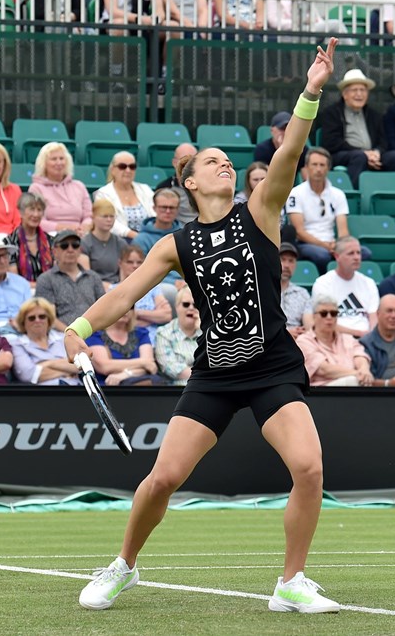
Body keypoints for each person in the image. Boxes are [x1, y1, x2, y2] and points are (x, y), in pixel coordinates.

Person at [65, 39, 342, 614]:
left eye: (227, 160)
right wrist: (80, 327)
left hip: (270, 367)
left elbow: (290, 149)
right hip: (214, 372)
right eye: (211, 161)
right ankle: (123, 566)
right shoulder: (175, 244)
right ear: (189, 182)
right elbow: (125, 293)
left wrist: (311, 89)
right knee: (163, 479)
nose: (225, 164)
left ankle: (291, 582)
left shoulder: (262, 209)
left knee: (310, 467)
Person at [317, 69, 395, 186]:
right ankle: (354, 196)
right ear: (344, 94)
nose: (359, 94)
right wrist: (363, 153)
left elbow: (383, 141)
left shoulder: (374, 115)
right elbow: (331, 142)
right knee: (359, 157)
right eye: (354, 90)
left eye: (363, 90)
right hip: (342, 155)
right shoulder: (332, 113)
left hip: (370, 155)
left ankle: (388, 194)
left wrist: (376, 153)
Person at [285, 148, 361, 272]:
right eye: (314, 165)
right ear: (307, 167)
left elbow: (343, 231)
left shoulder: (338, 194)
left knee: (363, 253)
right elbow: (299, 231)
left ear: (328, 168)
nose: (318, 169)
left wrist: (340, 246)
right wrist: (325, 246)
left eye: (322, 165)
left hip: (332, 242)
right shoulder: (296, 193)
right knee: (322, 255)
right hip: (307, 243)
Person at [295, 295, 374, 386]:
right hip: (320, 392)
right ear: (314, 317)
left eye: (333, 313)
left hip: (353, 384)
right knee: (356, 381)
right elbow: (324, 370)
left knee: (364, 381)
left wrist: (364, 370)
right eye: (324, 313)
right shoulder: (304, 341)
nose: (329, 317)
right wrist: (357, 374)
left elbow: (360, 356)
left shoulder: (347, 338)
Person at [36, 229, 106, 328]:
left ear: (79, 250)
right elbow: (48, 317)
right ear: (54, 252)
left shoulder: (93, 277)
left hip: (94, 332)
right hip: (61, 335)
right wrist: (72, 334)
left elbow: (104, 310)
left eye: (75, 245)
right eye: (64, 245)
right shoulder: (46, 279)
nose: (70, 249)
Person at [312, 236, 379, 337]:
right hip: (335, 338)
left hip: (366, 340)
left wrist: (371, 336)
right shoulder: (323, 283)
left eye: (358, 253)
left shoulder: (369, 283)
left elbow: (373, 316)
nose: (356, 257)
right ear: (337, 256)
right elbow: (323, 320)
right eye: (351, 253)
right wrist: (358, 333)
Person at [10, 297, 79, 385]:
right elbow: (28, 374)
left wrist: (47, 364)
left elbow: (79, 365)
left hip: (76, 391)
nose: (37, 320)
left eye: (42, 317)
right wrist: (67, 370)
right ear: (23, 322)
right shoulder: (17, 344)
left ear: (49, 320)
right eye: (31, 318)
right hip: (44, 395)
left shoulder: (63, 339)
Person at [29, 142, 94, 235]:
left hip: (81, 233)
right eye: (54, 159)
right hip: (51, 234)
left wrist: (84, 227)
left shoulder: (79, 186)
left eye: (61, 158)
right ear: (44, 164)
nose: (59, 163)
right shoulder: (36, 188)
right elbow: (38, 221)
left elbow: (89, 216)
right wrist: (65, 228)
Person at [86, 306, 161, 385]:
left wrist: (126, 374)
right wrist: (142, 363)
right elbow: (104, 367)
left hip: (141, 383)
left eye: (131, 307)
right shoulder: (95, 334)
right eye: (119, 305)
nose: (126, 310)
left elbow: (150, 366)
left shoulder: (141, 332)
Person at [113, 245, 173, 344]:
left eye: (139, 262)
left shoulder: (153, 288)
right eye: (130, 262)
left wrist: (136, 313)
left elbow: (166, 315)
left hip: (154, 342)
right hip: (126, 343)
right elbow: (116, 323)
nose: (135, 266)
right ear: (120, 263)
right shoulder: (113, 290)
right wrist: (152, 318)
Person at [94, 150, 155, 242]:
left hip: (149, 238)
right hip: (119, 240)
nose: (128, 170)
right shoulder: (103, 193)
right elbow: (109, 222)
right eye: (122, 166)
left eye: (132, 166)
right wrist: (135, 236)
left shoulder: (145, 189)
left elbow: (156, 214)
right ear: (112, 170)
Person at [3, 192, 53, 285]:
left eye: (39, 210)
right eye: (32, 209)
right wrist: (40, 286)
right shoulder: (9, 242)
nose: (36, 214)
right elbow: (14, 280)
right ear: (20, 212)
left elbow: (57, 274)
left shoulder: (50, 240)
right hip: (21, 293)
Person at [154, 287, 201, 385]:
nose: (191, 308)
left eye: (195, 305)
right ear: (176, 307)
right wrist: (205, 376)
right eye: (186, 304)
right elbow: (171, 368)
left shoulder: (208, 332)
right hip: (178, 389)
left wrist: (203, 332)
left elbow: (218, 360)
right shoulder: (164, 333)